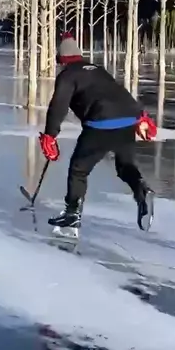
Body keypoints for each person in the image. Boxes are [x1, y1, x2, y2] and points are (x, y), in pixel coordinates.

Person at [39, 32, 157, 236]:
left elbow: (58, 105)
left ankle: (72, 213)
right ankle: (141, 190)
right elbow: (120, 93)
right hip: (127, 118)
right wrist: (141, 116)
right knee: (124, 166)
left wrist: (50, 134)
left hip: (101, 122)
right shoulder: (98, 70)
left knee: (79, 169)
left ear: (62, 59)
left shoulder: (68, 75)